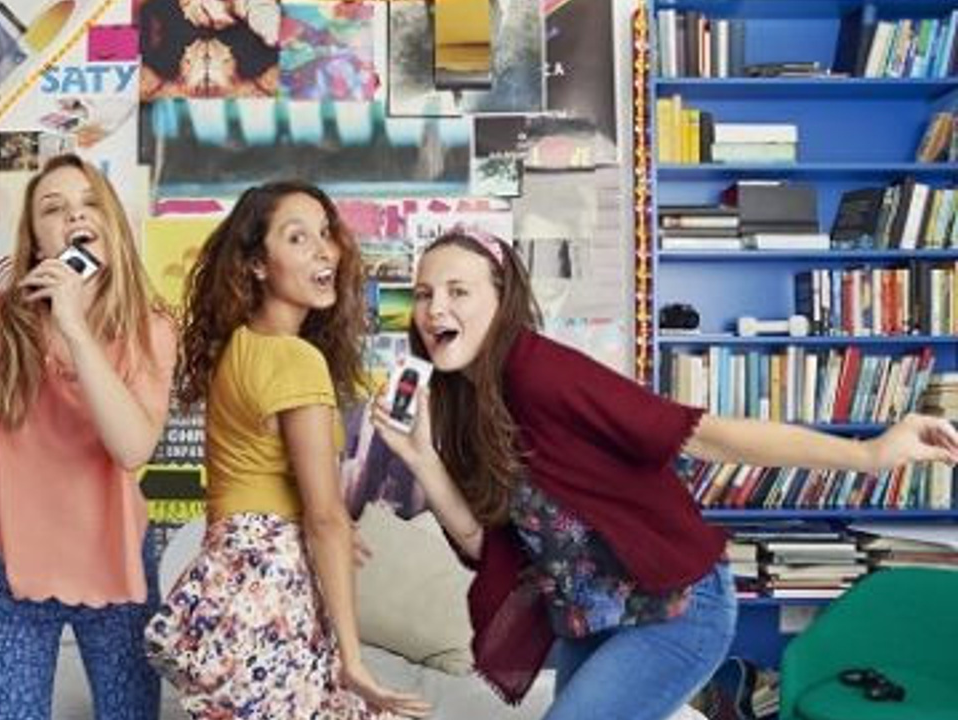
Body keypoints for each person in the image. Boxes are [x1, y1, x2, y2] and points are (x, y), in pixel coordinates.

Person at [371, 229, 958, 720]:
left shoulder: (539, 370)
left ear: (502, 301)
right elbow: (488, 546)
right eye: (423, 294)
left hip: (677, 609)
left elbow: (701, 433)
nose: (434, 309)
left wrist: (868, 455)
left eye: (457, 291)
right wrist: (421, 456)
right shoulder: (470, 403)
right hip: (594, 619)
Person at [0, 154, 177, 720]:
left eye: (89, 203)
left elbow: (133, 447)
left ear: (112, 223)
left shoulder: (151, 326)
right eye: (53, 208)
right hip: (11, 572)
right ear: (36, 240)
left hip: (118, 564)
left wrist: (74, 326)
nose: (75, 215)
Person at [144, 181, 430, 719]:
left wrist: (322, 530)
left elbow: (261, 487)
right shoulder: (294, 360)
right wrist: (352, 660)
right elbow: (324, 517)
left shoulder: (238, 349)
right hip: (269, 594)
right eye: (298, 238)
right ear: (256, 264)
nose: (324, 251)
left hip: (226, 588)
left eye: (326, 233)